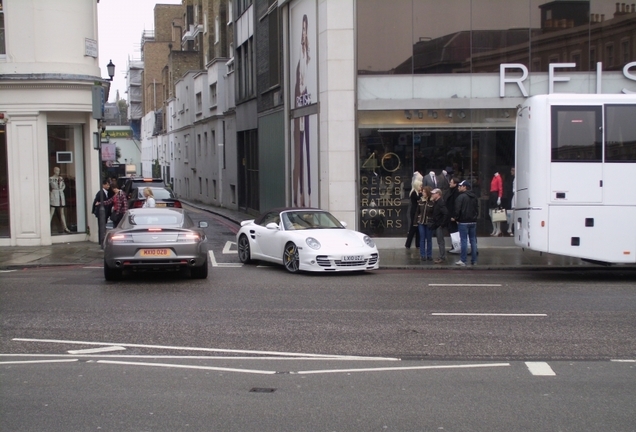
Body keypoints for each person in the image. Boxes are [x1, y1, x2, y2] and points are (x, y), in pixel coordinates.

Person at [292, 14, 312, 207]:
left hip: (307, 113)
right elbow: (299, 86)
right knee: (299, 158)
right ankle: (299, 198)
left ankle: (307, 197)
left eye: (306, 30)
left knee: (307, 158)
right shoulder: (300, 57)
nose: (305, 33)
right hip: (300, 113)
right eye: (303, 30)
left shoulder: (309, 57)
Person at [453, 180, 478, 266]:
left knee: (464, 240)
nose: (459, 187)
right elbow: (477, 209)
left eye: (460, 186)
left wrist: (456, 218)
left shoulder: (461, 197)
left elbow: (457, 210)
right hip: (473, 221)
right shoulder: (474, 197)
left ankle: (463, 260)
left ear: (465, 187)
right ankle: (474, 260)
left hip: (463, 222)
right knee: (473, 240)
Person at [414, 186, 434, 261]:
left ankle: (429, 255)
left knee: (429, 239)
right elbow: (417, 212)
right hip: (421, 222)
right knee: (422, 238)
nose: (423, 193)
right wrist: (415, 222)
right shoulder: (420, 201)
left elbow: (434, 213)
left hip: (429, 222)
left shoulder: (432, 202)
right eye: (423, 191)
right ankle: (422, 255)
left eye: (424, 191)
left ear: (428, 193)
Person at [429, 188, 449, 264]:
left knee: (440, 241)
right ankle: (441, 256)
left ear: (438, 194)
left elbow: (446, 213)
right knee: (440, 241)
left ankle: (442, 257)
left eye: (434, 193)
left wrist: (442, 224)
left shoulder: (440, 203)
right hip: (437, 224)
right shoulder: (436, 202)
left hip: (439, 225)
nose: (432, 195)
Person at [49, 167, 71, 233]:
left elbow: (64, 185)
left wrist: (62, 189)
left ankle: (65, 227)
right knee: (52, 212)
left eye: (59, 171)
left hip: (60, 195)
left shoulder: (61, 178)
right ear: (54, 171)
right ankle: (47, 226)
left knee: (62, 212)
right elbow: (48, 187)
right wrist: (50, 193)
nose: (58, 172)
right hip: (54, 194)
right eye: (57, 171)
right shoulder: (51, 179)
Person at [404, 172, 423, 248]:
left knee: (417, 228)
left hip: (417, 211)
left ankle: (417, 244)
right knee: (413, 227)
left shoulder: (417, 192)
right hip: (414, 212)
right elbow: (419, 199)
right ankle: (408, 244)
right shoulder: (414, 193)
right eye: (420, 185)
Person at [92, 179, 112, 246]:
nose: (108, 186)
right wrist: (94, 209)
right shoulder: (100, 192)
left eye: (109, 185)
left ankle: (103, 240)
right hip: (101, 213)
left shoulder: (107, 192)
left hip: (106, 213)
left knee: (104, 226)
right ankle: (101, 241)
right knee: (101, 226)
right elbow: (95, 201)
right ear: (103, 185)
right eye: (107, 185)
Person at [445, 177, 461, 253]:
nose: (449, 183)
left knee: (454, 231)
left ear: (455, 184)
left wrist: (455, 216)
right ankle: (454, 246)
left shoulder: (456, 192)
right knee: (452, 231)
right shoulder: (450, 191)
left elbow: (456, 205)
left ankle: (456, 247)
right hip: (450, 215)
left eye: (451, 182)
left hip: (453, 216)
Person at [489, 171, 503, 236]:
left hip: (495, 195)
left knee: (497, 213)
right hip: (492, 195)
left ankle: (498, 229)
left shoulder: (498, 178)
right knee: (491, 213)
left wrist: (499, 197)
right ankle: (494, 228)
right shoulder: (494, 177)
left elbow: (500, 188)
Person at [503, 167, 515, 236]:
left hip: (514, 197)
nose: (511, 172)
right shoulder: (511, 179)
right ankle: (510, 228)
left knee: (513, 214)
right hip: (512, 197)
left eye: (513, 170)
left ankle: (510, 228)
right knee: (512, 214)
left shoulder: (516, 179)